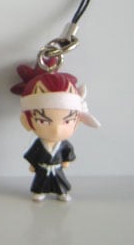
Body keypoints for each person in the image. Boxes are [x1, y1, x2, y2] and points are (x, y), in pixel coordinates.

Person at [11, 65, 100, 202]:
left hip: (57, 168)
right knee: (40, 182)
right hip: (42, 169)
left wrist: (66, 161)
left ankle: (62, 192)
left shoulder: (64, 145)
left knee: (60, 181)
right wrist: (33, 165)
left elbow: (68, 153)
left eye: (67, 121)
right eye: (43, 121)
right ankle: (39, 192)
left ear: (77, 122)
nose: (56, 129)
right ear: (26, 122)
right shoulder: (39, 144)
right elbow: (33, 155)